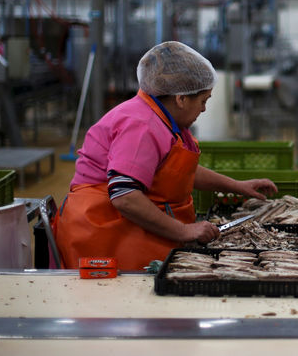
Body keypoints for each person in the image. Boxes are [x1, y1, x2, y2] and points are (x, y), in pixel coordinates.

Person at [55, 41, 278, 270]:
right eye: (203, 101)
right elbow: (125, 195)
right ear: (181, 99)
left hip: (128, 231)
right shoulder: (141, 125)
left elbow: (175, 170)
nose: (203, 109)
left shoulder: (164, 120)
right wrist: (184, 230)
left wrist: (238, 186)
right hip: (103, 236)